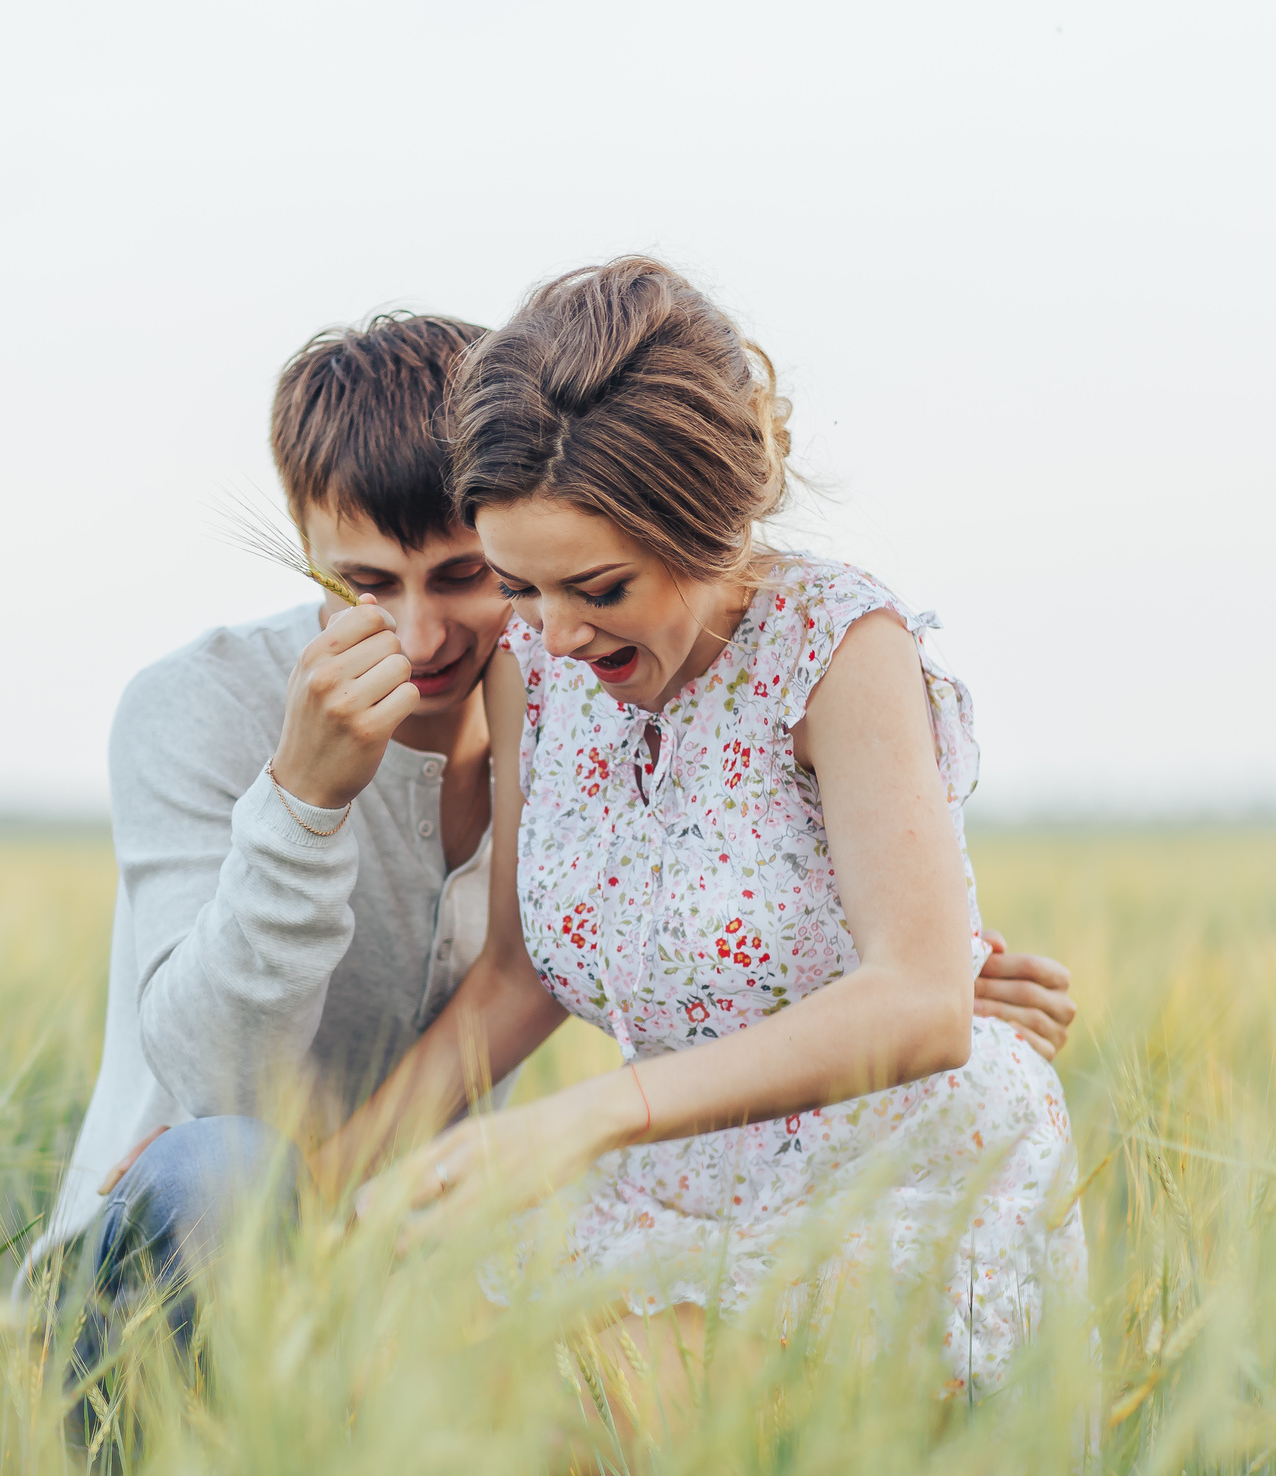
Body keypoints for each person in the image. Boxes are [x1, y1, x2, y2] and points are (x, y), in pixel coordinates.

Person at [30, 309, 1080, 1401]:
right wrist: (309, 1204)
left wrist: (901, 978)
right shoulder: (287, 698)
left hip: (807, 1187)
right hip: (565, 1190)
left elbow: (877, 970)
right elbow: (475, 991)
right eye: (367, 586)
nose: (443, 637)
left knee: (472, 1439)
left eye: (476, 579)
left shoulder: (758, 648)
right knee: (318, 1296)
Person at [341, 257, 1087, 1403]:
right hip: (666, 1189)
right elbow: (512, 975)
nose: (556, 634)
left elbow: (922, 1002)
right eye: (521, 587)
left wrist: (586, 1117)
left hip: (886, 1187)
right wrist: (332, 1189)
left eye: (599, 587)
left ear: (709, 526)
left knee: (521, 1434)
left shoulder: (840, 649)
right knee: (376, 1394)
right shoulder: (531, 668)